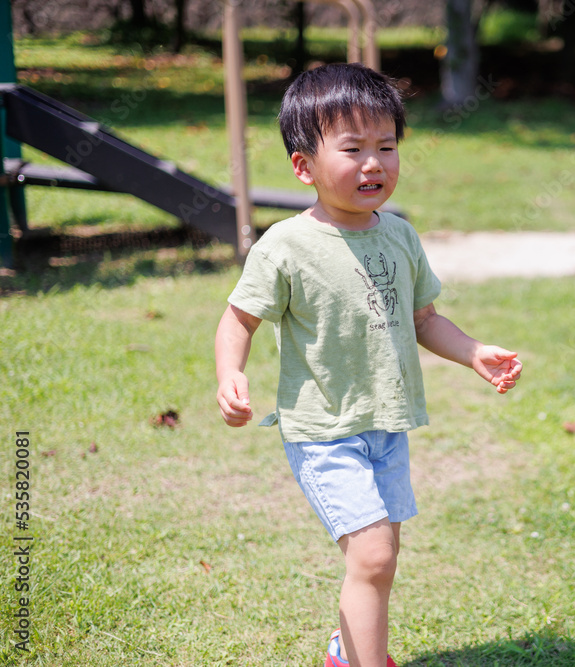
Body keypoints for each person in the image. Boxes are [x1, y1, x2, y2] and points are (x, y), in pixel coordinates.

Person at [214, 63, 522, 667]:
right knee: (373, 556)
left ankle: (345, 650)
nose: (373, 164)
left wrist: (472, 352)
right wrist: (231, 374)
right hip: (325, 430)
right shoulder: (286, 246)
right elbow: (238, 319)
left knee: (379, 559)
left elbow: (424, 318)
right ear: (304, 166)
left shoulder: (400, 236)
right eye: (352, 149)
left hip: (387, 425)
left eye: (386, 146)